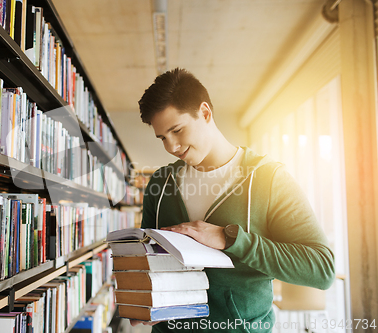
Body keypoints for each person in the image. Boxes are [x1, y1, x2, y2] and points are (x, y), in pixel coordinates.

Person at [132, 68, 335, 333]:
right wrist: (142, 299)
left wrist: (231, 239)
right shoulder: (160, 183)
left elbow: (321, 268)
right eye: (162, 138)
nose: (171, 146)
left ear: (205, 113)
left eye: (177, 130)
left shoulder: (269, 178)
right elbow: (147, 260)